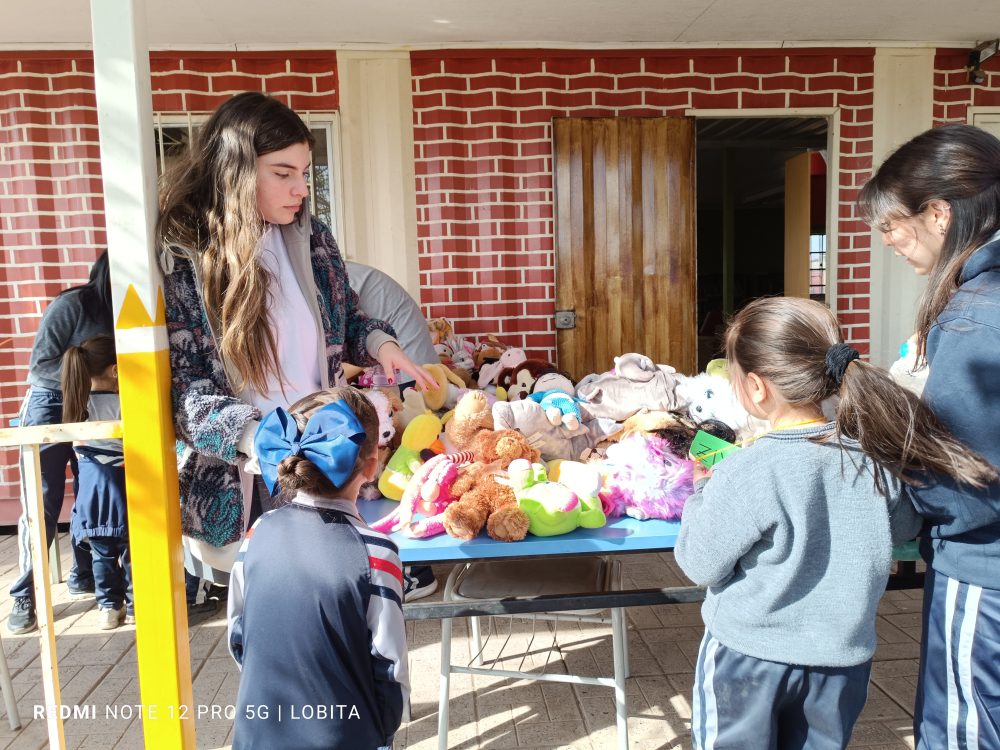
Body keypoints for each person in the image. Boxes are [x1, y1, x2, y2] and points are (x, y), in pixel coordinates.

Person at [674, 296, 996, 750]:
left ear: (755, 386)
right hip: (839, 666)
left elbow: (700, 562)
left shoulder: (751, 467)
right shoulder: (869, 458)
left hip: (747, 660)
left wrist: (703, 487)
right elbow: (902, 530)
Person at [158, 92, 436, 587]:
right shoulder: (187, 258)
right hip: (248, 474)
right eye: (282, 173)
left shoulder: (313, 236)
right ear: (235, 173)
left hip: (324, 456)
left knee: (339, 602)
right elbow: (187, 393)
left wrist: (382, 346)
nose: (301, 189)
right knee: (275, 618)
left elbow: (348, 318)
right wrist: (259, 440)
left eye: (305, 173)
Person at [858, 123, 1000, 750]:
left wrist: (894, 480)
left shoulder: (977, 316)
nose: (887, 240)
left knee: (964, 731)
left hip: (985, 570)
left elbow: (966, 488)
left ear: (939, 213)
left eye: (891, 224)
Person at [227, 386, 407, 749]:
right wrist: (382, 734)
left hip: (258, 734)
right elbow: (390, 665)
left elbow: (238, 635)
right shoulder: (377, 553)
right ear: (371, 465)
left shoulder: (258, 531)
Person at [7, 251, 112, 635]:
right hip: (50, 401)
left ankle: (83, 572)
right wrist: (86, 375)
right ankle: (25, 592)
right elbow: (40, 364)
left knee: (93, 491)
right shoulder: (73, 305)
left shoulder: (137, 309)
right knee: (43, 498)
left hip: (99, 403)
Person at [346, 260, 440, 601]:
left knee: (400, 459)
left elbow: (348, 349)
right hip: (399, 362)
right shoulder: (338, 271)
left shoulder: (322, 272)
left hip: (401, 366)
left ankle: (414, 570)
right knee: (395, 464)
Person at [60, 335, 133, 630]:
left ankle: (108, 607)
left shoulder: (77, 404)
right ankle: (136, 606)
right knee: (131, 549)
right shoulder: (126, 403)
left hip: (91, 489)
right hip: (123, 484)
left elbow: (78, 449)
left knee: (102, 551)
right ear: (115, 370)